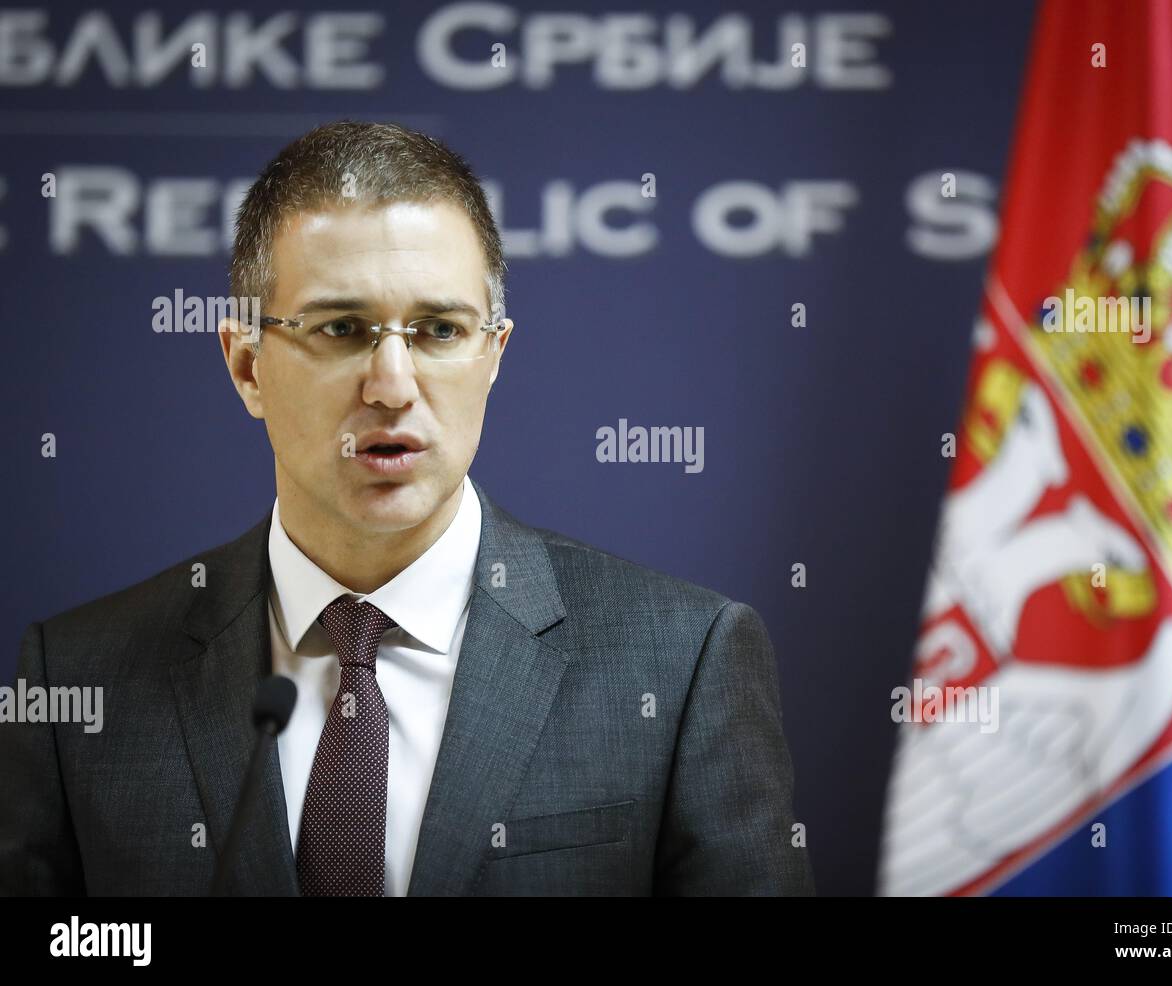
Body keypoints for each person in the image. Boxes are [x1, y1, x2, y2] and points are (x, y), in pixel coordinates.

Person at [0, 120, 814, 896]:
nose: (392, 386)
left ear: (493, 357)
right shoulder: (79, 679)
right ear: (247, 364)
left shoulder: (681, 664)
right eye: (344, 327)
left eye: (437, 330)